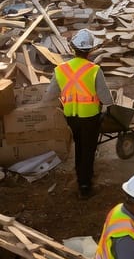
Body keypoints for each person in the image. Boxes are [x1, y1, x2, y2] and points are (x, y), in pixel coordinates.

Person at [45, 28, 113, 198]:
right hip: (90, 117)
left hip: (70, 118)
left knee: (79, 146)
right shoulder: (94, 69)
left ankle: (79, 173)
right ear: (90, 50)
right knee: (88, 150)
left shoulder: (60, 69)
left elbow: (49, 95)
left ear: (72, 48)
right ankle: (85, 185)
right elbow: (106, 99)